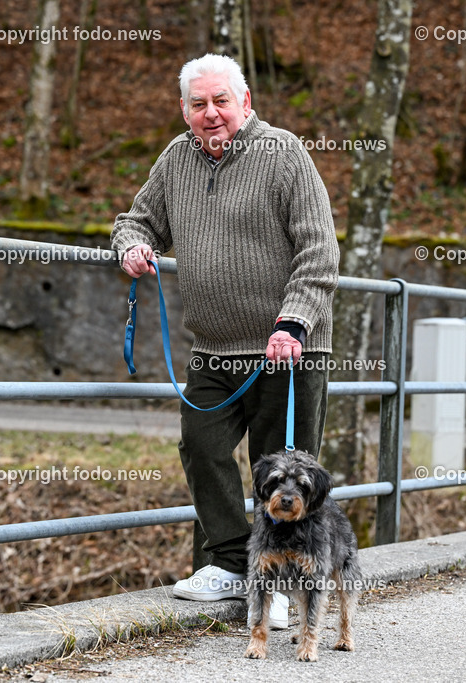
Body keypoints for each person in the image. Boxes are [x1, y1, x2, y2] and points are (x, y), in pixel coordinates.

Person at [111, 53, 339, 628]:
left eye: (221, 102)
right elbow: (135, 219)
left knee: (286, 474)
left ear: (246, 103)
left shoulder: (283, 153)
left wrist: (294, 321)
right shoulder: (175, 158)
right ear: (185, 109)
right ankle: (235, 564)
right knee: (201, 447)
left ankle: (285, 582)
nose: (210, 114)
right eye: (198, 104)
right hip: (213, 350)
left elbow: (320, 250)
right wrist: (133, 246)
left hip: (286, 348)